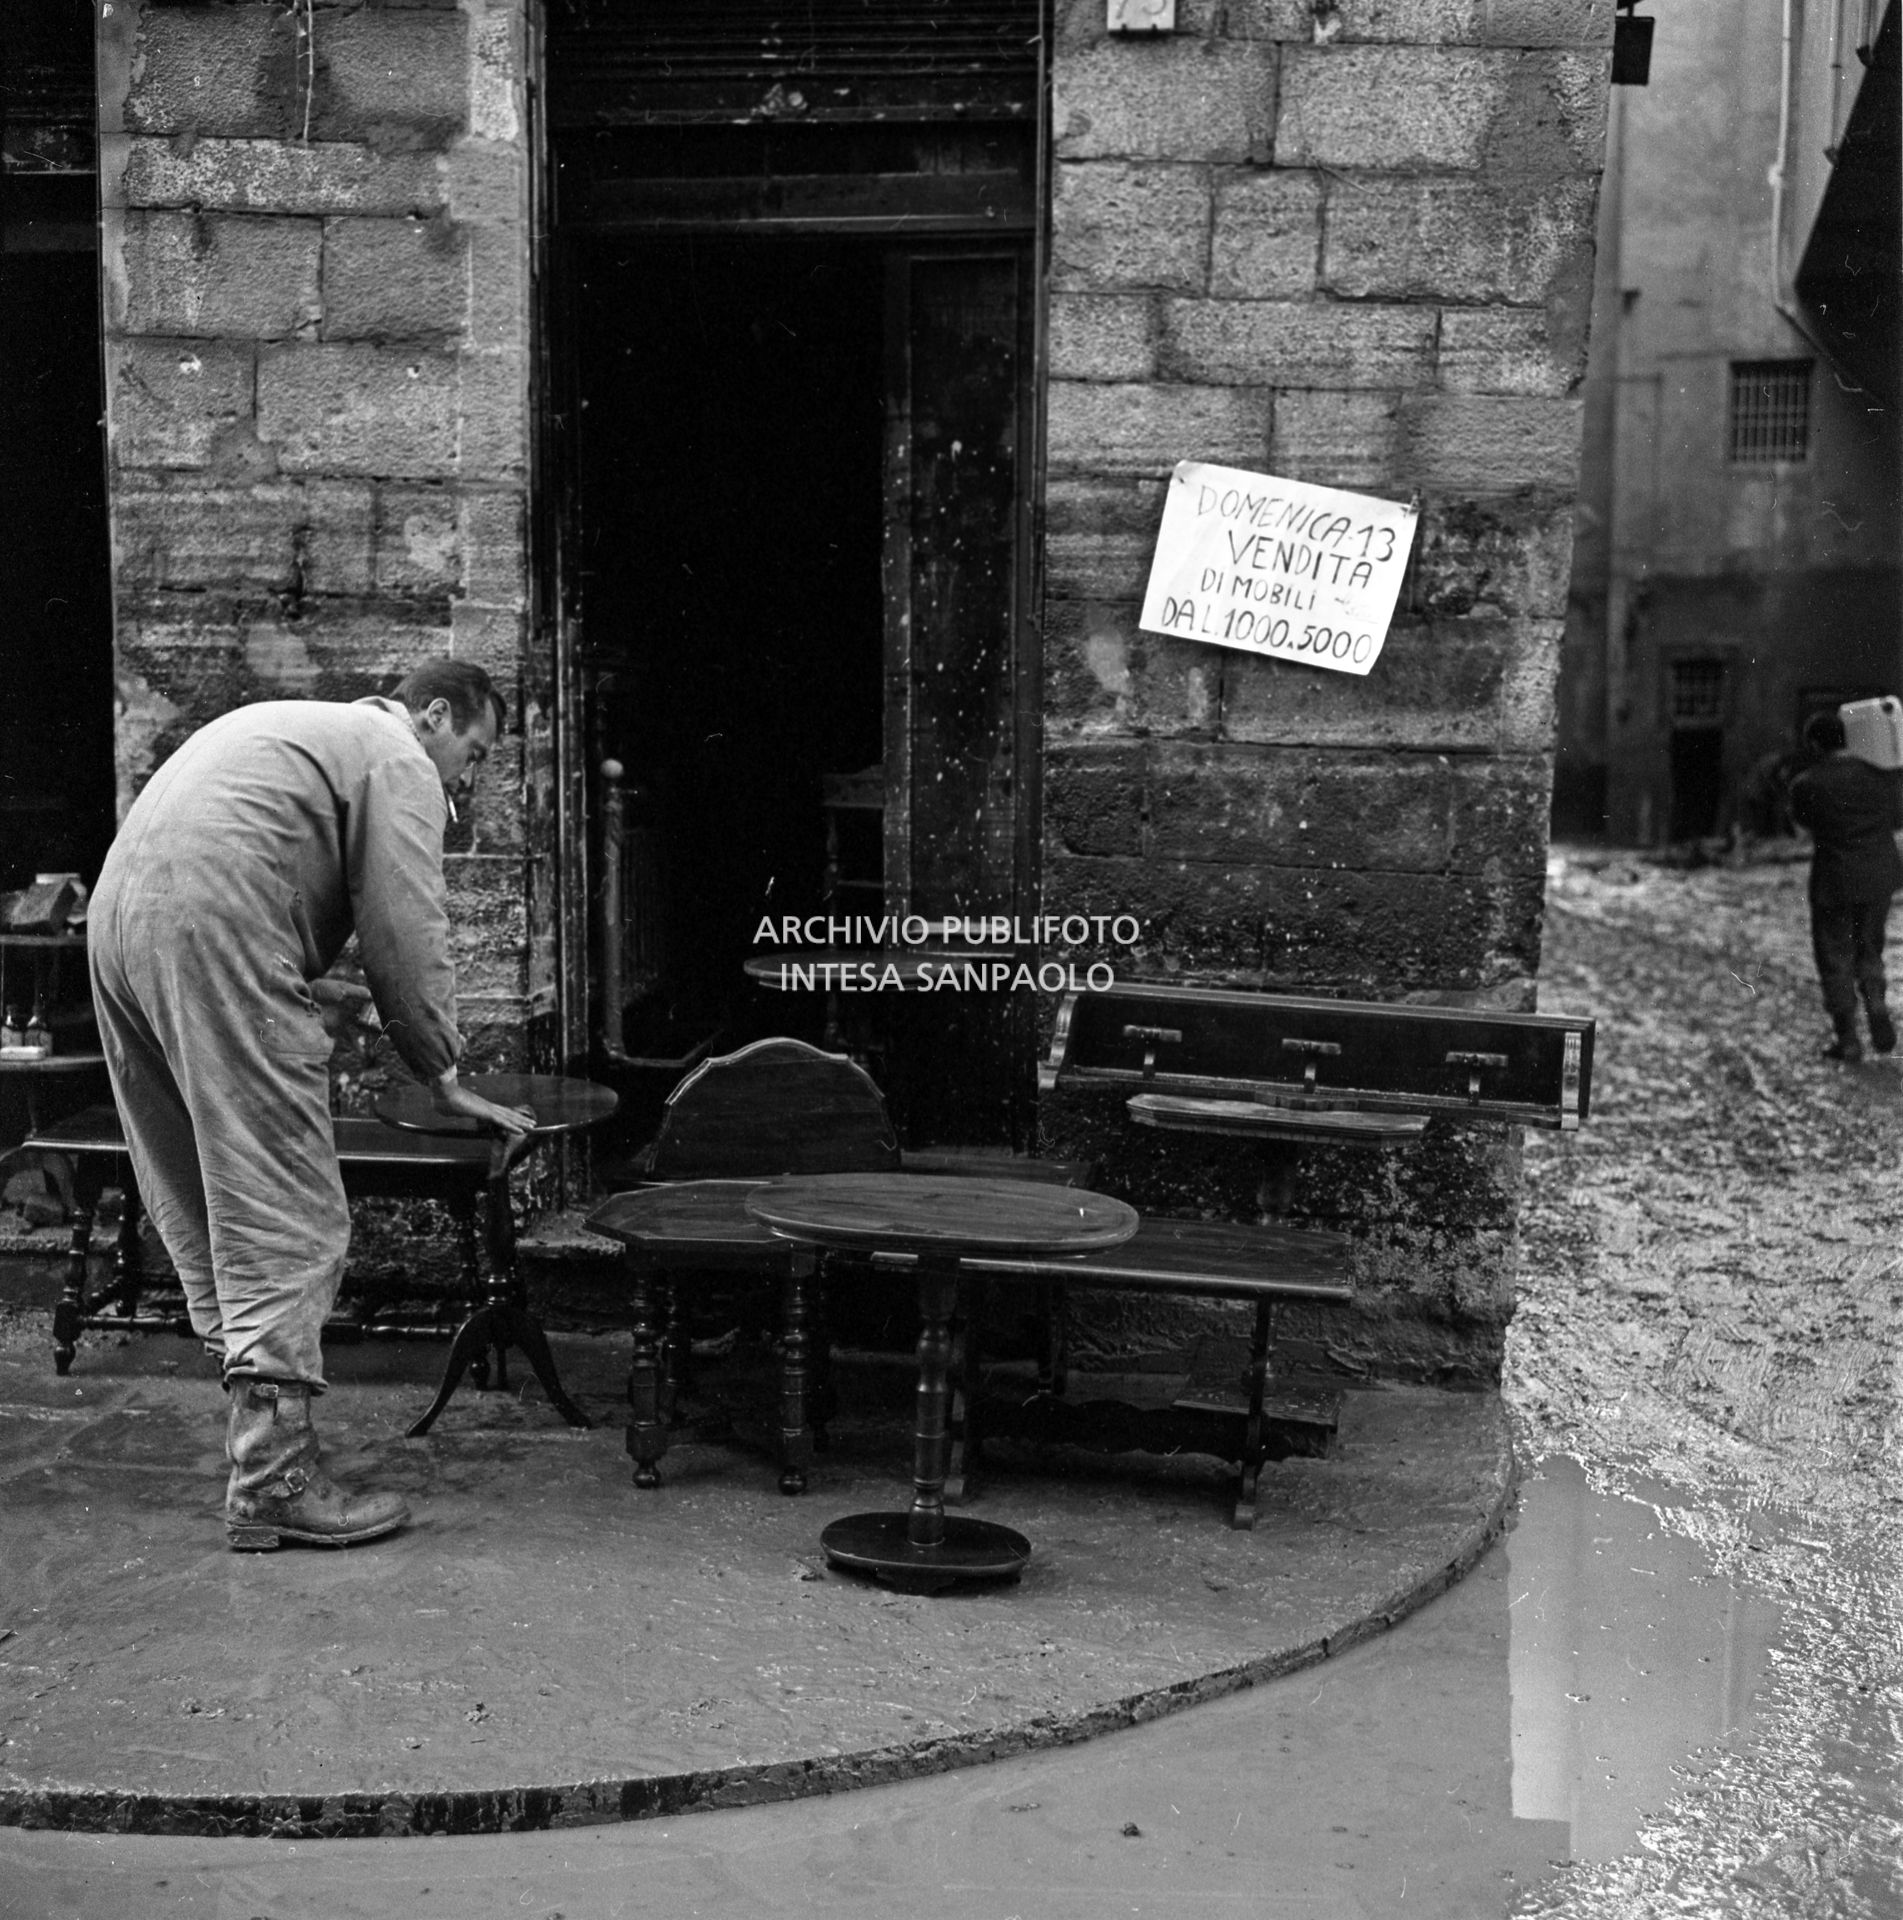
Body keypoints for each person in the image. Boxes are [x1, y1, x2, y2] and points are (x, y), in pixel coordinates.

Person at [87, 662, 536, 1550]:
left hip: (118, 927)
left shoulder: (298, 725)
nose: (468, 777)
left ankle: (260, 1434)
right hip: (211, 928)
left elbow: (259, 863)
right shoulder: (395, 754)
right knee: (282, 1199)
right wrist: (441, 1069)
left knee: (201, 1185)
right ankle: (273, 1480)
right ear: (434, 714)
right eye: (474, 753)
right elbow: (406, 930)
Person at [1787, 709, 1903, 1063]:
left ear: (1815, 744)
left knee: (1835, 955)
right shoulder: (1882, 776)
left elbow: (1802, 824)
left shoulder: (1807, 783)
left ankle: (1848, 1038)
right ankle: (1877, 1005)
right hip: (1879, 877)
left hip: (1834, 880)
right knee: (1870, 949)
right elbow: (1898, 817)